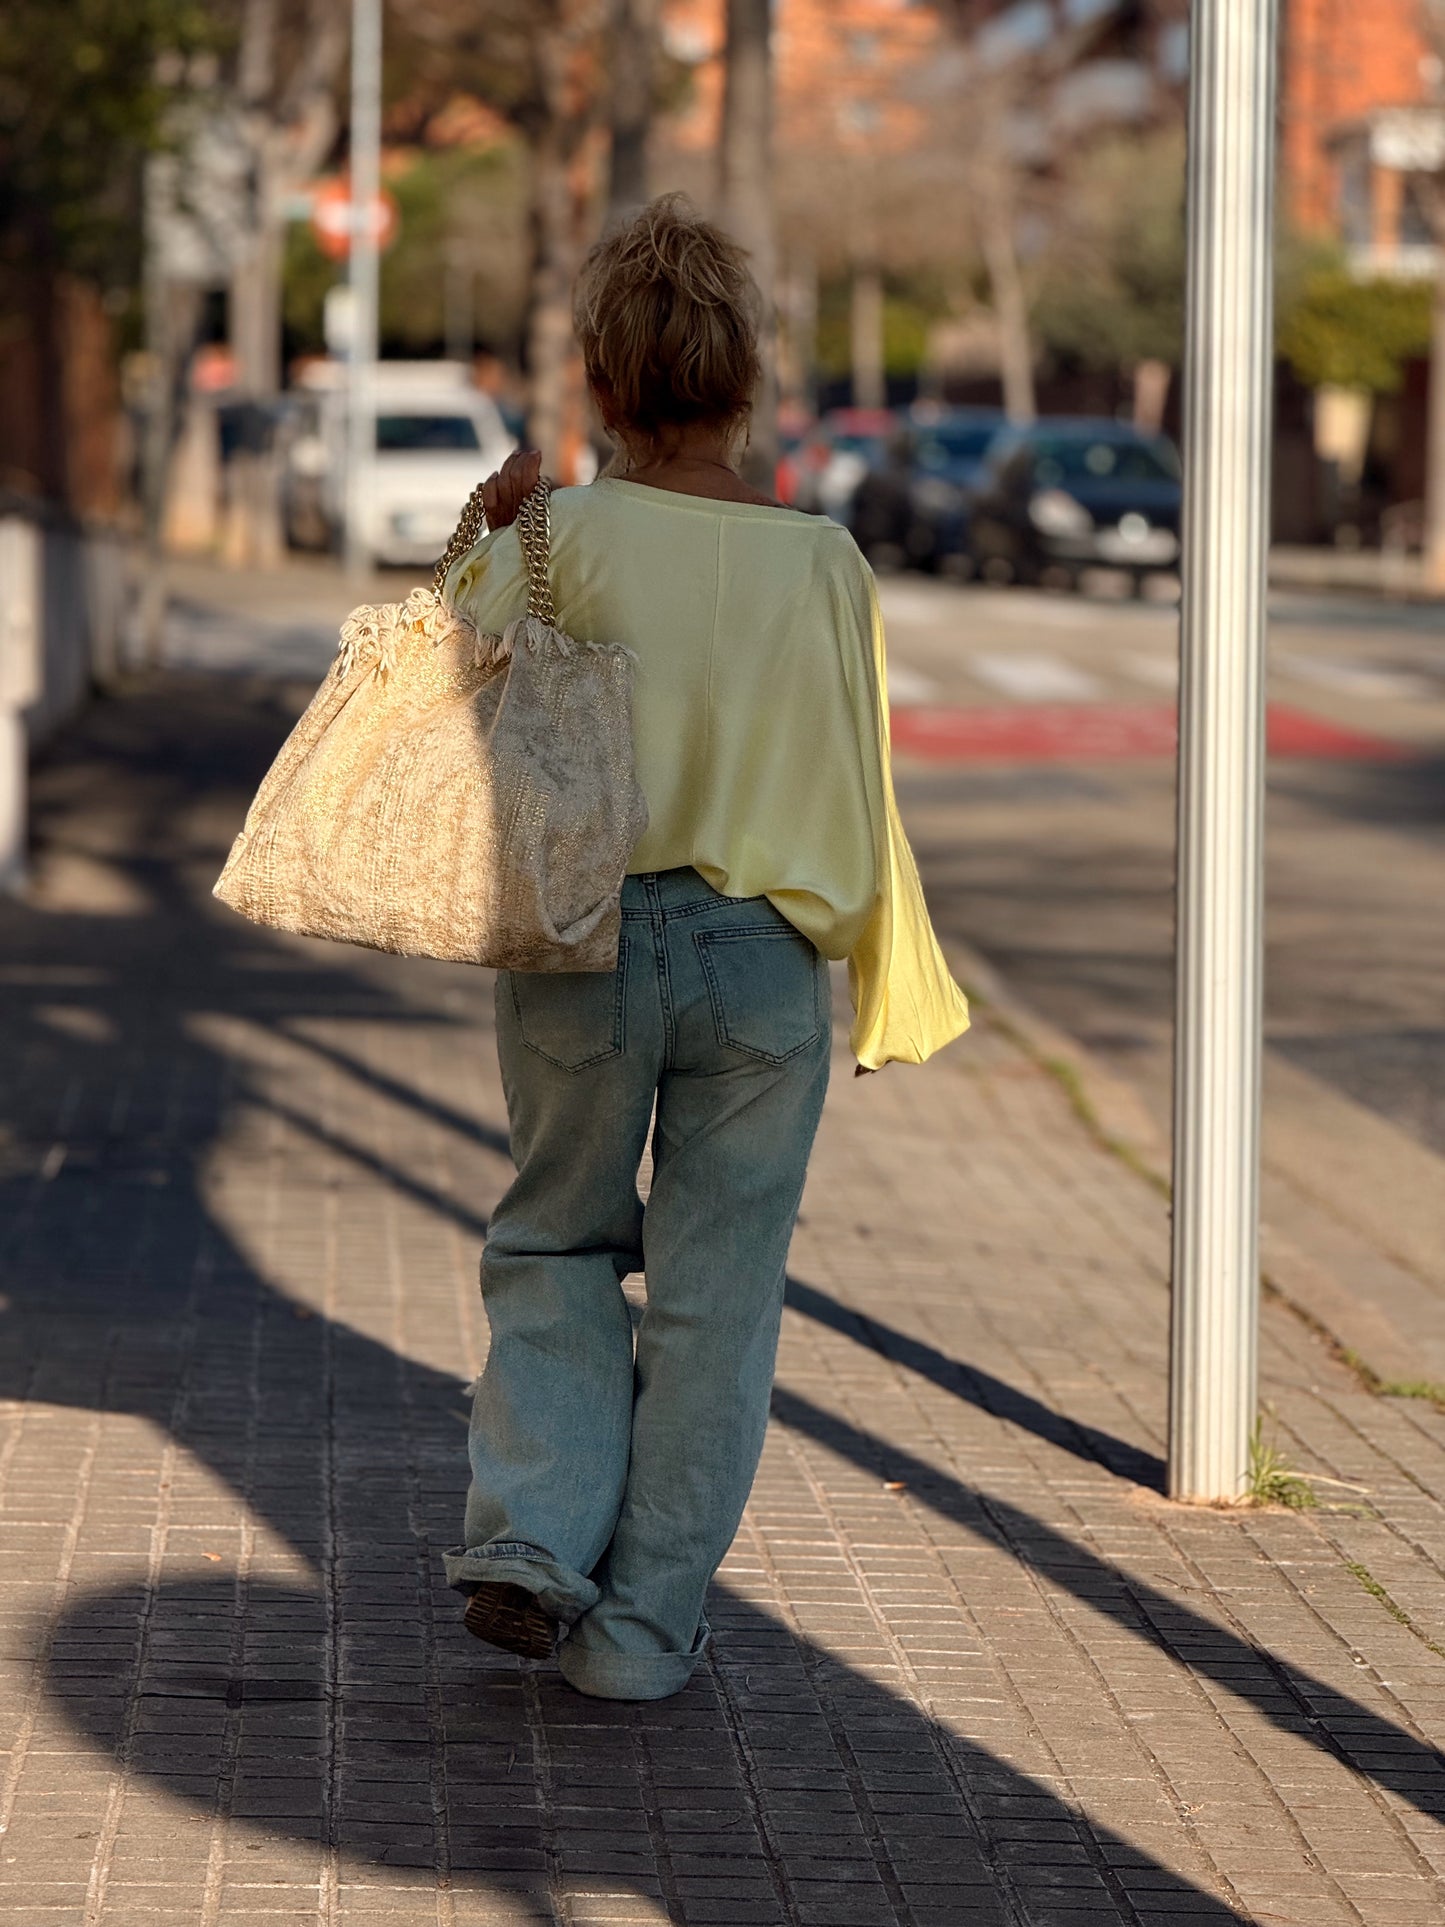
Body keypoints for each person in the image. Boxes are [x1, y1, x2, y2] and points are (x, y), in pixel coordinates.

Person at [441, 194, 969, 1702]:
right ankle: (638, 1638)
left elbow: (449, 702)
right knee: (715, 1301)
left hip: (580, 944)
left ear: (602, 384)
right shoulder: (821, 563)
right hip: (756, 968)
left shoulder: (560, 534)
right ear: (747, 385)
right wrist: (885, 975)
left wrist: (483, 533)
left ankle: (535, 1539)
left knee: (554, 1245)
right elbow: (855, 791)